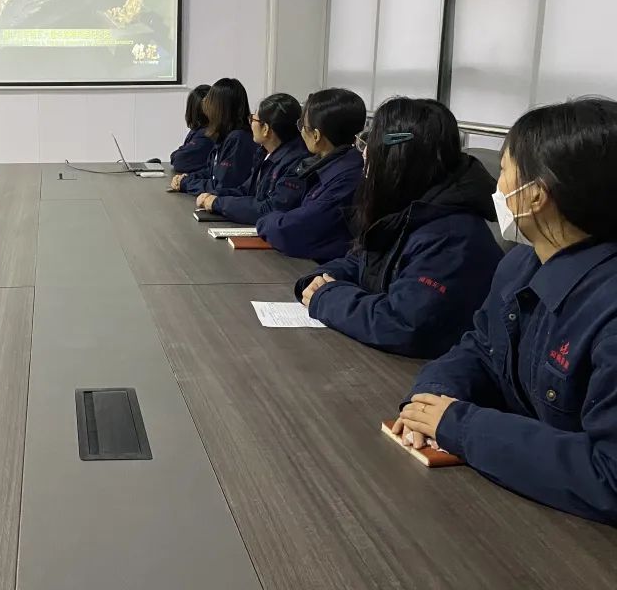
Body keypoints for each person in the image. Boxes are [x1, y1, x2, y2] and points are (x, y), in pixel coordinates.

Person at [394, 98, 617, 524]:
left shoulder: (607, 308)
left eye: (504, 170)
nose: (497, 186)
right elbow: (481, 347)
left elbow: (609, 475)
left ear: (535, 195)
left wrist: (462, 426)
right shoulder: (521, 263)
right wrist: (433, 397)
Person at [293, 97, 503, 359]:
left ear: (400, 155)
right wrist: (319, 278)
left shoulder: (452, 235)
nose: (364, 154)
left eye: (371, 144)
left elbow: (405, 324)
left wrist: (327, 297)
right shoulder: (409, 208)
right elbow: (363, 261)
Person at [254, 88, 366, 261]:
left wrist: (265, 220)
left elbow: (293, 230)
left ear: (316, 135)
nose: (301, 132)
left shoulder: (345, 178)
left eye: (303, 126)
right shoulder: (332, 165)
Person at [195, 92, 310, 224]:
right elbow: (247, 190)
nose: (250, 124)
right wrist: (214, 195)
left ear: (265, 129)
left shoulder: (296, 163)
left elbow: (270, 209)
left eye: (253, 119)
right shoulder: (265, 153)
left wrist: (218, 203)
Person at [171, 78, 259, 195]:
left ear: (220, 108)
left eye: (210, 101)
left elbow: (221, 186)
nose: (205, 106)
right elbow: (212, 172)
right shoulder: (225, 135)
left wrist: (186, 183)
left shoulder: (238, 139)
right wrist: (187, 178)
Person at [169, 84, 213, 173]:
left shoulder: (206, 134)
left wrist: (176, 155)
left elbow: (179, 160)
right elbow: (181, 152)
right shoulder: (197, 130)